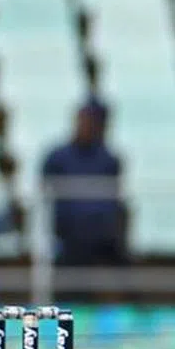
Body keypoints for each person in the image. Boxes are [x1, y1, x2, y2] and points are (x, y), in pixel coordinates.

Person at [40, 97, 127, 266]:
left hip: (102, 235)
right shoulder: (56, 157)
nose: (88, 125)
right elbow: (43, 191)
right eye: (85, 119)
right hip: (69, 235)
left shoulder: (109, 159)